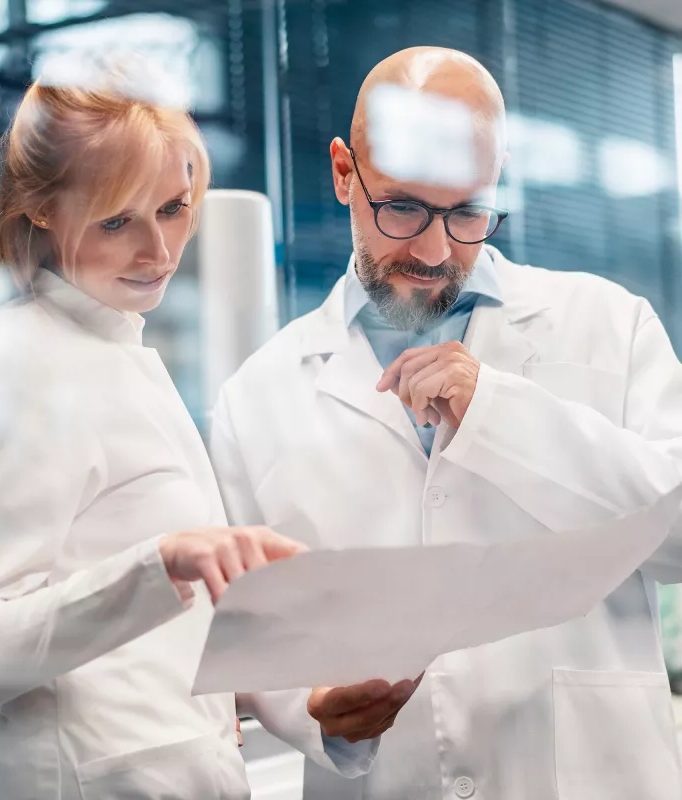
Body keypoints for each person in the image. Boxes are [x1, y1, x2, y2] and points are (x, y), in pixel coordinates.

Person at [0, 58, 411, 800]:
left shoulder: (122, 350)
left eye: (175, 208)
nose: (159, 253)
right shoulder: (11, 364)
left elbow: (167, 647)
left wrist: (317, 711)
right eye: (117, 220)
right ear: (44, 209)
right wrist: (161, 566)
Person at [210, 46, 682, 800]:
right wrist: (314, 711)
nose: (433, 252)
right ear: (342, 174)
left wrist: (499, 412)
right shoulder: (255, 397)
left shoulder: (609, 324)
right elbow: (250, 633)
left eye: (467, 212)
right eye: (402, 207)